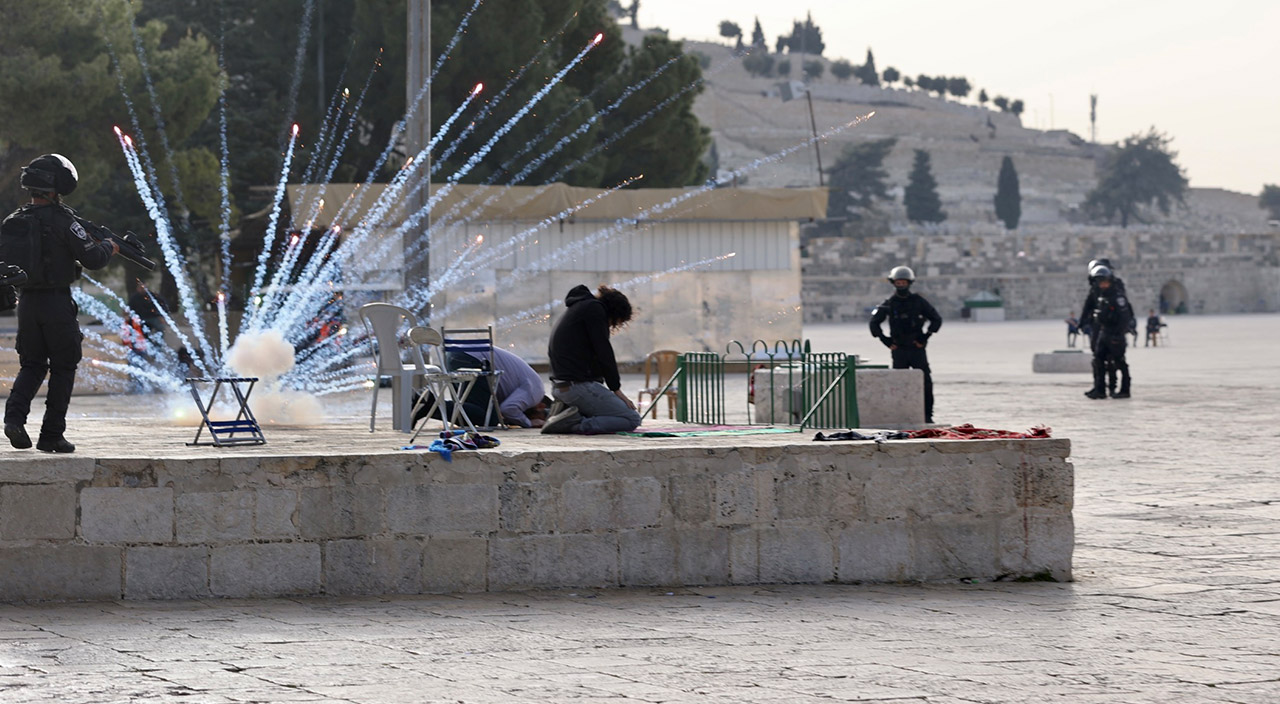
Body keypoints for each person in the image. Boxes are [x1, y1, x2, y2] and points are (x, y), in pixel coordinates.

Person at [1, 154, 119, 453]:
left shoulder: (14, 220)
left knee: (32, 365)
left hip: (26, 303)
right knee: (64, 367)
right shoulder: (65, 221)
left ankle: (13, 419)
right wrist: (110, 246)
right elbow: (93, 259)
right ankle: (52, 435)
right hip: (56, 303)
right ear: (57, 187)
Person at [541, 284, 641, 435]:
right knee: (631, 418)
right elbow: (603, 351)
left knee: (609, 413)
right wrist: (616, 389)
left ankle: (568, 414)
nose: (612, 327)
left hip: (561, 387)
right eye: (615, 323)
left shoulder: (579, 308)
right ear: (613, 313)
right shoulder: (594, 310)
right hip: (577, 387)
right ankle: (573, 423)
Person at [869, 265, 942, 423]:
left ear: (910, 283)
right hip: (899, 350)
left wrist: (925, 337)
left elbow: (936, 319)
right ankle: (901, 414)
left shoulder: (919, 301)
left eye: (904, 282)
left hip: (917, 349)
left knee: (925, 383)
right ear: (893, 283)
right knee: (898, 384)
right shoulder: (888, 303)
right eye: (898, 282)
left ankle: (927, 416)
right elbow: (874, 323)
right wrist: (885, 340)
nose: (901, 285)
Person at [415, 346, 551, 429]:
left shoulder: (529, 387)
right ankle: (430, 405)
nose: (538, 422)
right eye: (540, 418)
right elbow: (508, 409)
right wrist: (528, 423)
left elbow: (507, 410)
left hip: (458, 355)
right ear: (541, 406)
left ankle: (421, 404)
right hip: (473, 359)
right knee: (489, 419)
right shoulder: (536, 393)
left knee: (469, 413)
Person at [1084, 266, 1133, 399]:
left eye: (1104, 282)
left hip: (1115, 334)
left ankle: (1124, 389)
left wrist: (1118, 334)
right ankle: (1100, 389)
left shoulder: (1118, 297)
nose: (1102, 285)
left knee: (1119, 362)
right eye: (1100, 282)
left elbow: (1124, 318)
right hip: (1104, 332)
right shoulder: (1102, 296)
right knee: (1098, 360)